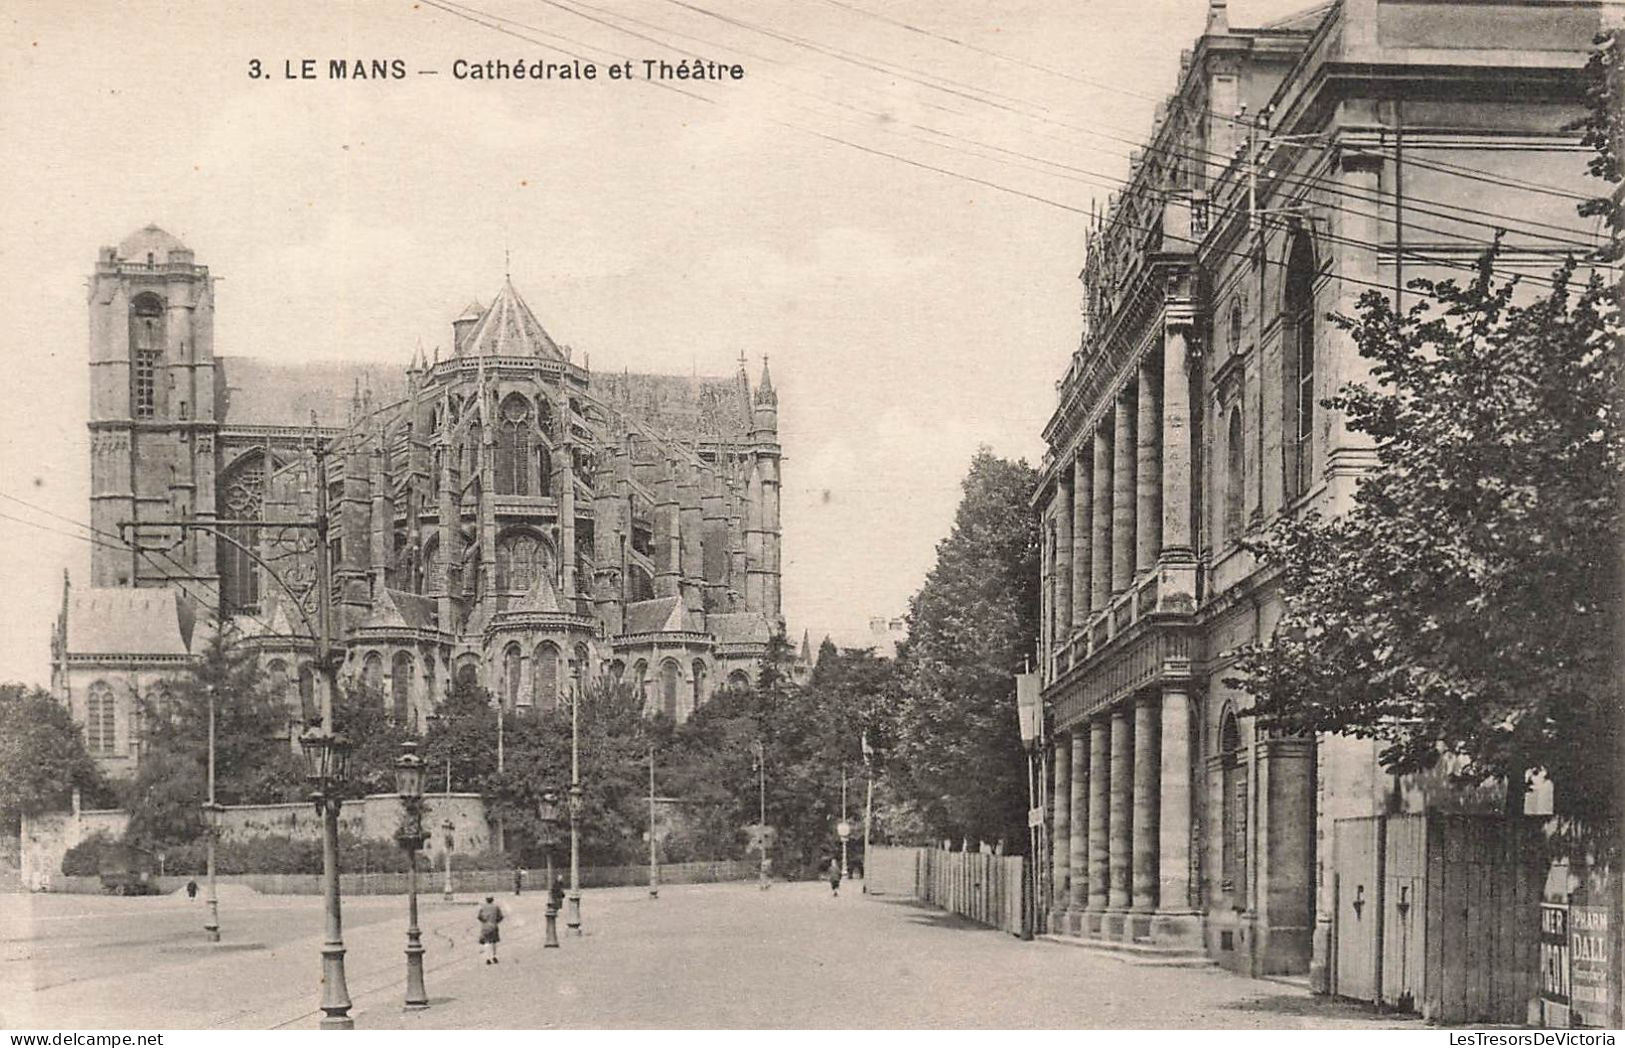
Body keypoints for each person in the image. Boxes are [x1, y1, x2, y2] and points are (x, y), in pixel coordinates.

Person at [476, 895, 504, 964]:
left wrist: (484, 921)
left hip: (485, 927)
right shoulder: (496, 907)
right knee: (494, 942)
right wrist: (496, 921)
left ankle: (487, 958)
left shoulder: (482, 907)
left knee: (486, 942)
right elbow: (501, 916)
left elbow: (479, 917)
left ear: (486, 900)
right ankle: (494, 956)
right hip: (494, 926)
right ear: (492, 900)